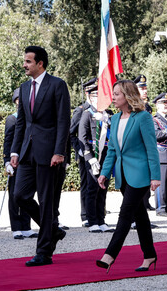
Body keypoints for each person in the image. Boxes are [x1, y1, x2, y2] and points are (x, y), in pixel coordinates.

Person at [10, 45, 71, 267]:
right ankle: (53, 231)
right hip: (27, 152)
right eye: (24, 61)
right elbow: (21, 123)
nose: (24, 65)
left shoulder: (57, 85)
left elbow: (64, 121)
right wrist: (15, 151)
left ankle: (44, 252)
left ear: (40, 64)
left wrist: (59, 151)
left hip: (49, 154)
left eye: (28, 61)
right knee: (19, 196)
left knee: (47, 203)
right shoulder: (24, 88)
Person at [97, 79, 160, 273]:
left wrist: (155, 176)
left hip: (140, 175)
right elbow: (113, 151)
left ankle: (109, 255)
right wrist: (104, 173)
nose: (113, 97)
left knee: (125, 214)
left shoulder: (143, 118)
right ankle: (150, 256)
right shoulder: (115, 119)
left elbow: (151, 149)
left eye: (116, 94)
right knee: (140, 216)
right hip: (123, 175)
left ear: (127, 95)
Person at [78, 82, 114, 233]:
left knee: (103, 189)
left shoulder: (108, 115)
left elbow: (116, 130)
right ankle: (92, 221)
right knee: (92, 189)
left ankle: (101, 219)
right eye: (96, 96)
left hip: (106, 156)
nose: (99, 99)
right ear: (91, 98)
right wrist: (90, 158)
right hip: (93, 156)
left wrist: (106, 120)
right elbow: (82, 137)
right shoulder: (87, 114)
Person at [3, 88, 37, 240]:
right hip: (15, 161)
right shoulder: (13, 119)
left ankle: (26, 225)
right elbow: (8, 141)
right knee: (14, 195)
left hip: (28, 161)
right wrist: (6, 161)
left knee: (27, 194)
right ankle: (16, 227)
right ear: (17, 101)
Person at [70, 78, 96, 227]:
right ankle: (85, 214)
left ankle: (97, 213)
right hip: (84, 153)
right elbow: (71, 133)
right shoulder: (81, 110)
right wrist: (80, 150)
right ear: (87, 93)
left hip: (98, 152)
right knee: (87, 183)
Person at [134, 74, 154, 211]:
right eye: (141, 88)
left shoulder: (146, 106)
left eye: (145, 88)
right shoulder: (133, 106)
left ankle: (145, 202)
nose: (145, 90)